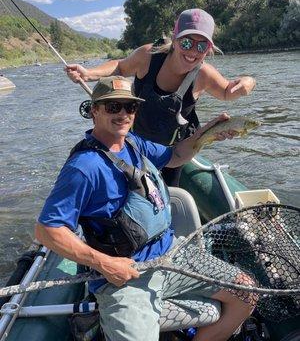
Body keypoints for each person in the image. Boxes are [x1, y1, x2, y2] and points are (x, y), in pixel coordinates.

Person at [35, 76, 257, 341]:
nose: (123, 114)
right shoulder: (83, 168)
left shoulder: (133, 143)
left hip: (171, 254)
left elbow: (175, 156)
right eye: (112, 107)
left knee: (246, 293)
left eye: (130, 107)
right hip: (126, 276)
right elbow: (47, 230)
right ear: (94, 110)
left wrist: (206, 134)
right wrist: (106, 264)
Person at [65, 8, 256, 187]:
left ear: (209, 48)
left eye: (202, 45)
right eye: (187, 42)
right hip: (136, 144)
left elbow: (227, 92)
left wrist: (249, 81)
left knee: (166, 197)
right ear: (175, 38)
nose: (192, 52)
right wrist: (89, 73)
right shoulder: (148, 56)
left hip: (175, 152)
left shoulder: (204, 74)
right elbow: (121, 67)